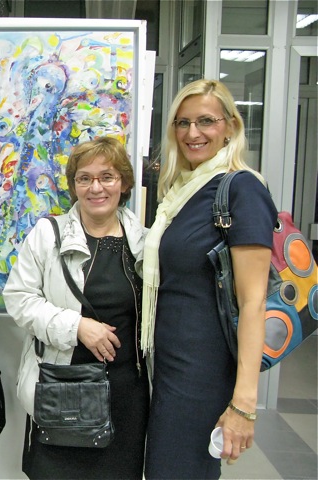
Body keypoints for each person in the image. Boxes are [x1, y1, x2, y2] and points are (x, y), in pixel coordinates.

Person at [141, 79, 278, 478]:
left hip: (201, 373)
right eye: (182, 123)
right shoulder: (181, 192)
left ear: (230, 127)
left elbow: (253, 302)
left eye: (205, 121)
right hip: (168, 367)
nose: (192, 133)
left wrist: (243, 405)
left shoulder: (242, 189)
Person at [3, 136, 149, 479]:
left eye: (107, 177)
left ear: (124, 183)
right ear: (74, 186)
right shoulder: (47, 235)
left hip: (126, 395)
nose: (96, 187)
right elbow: (19, 298)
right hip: (63, 390)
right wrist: (77, 327)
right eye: (84, 178)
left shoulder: (145, 243)